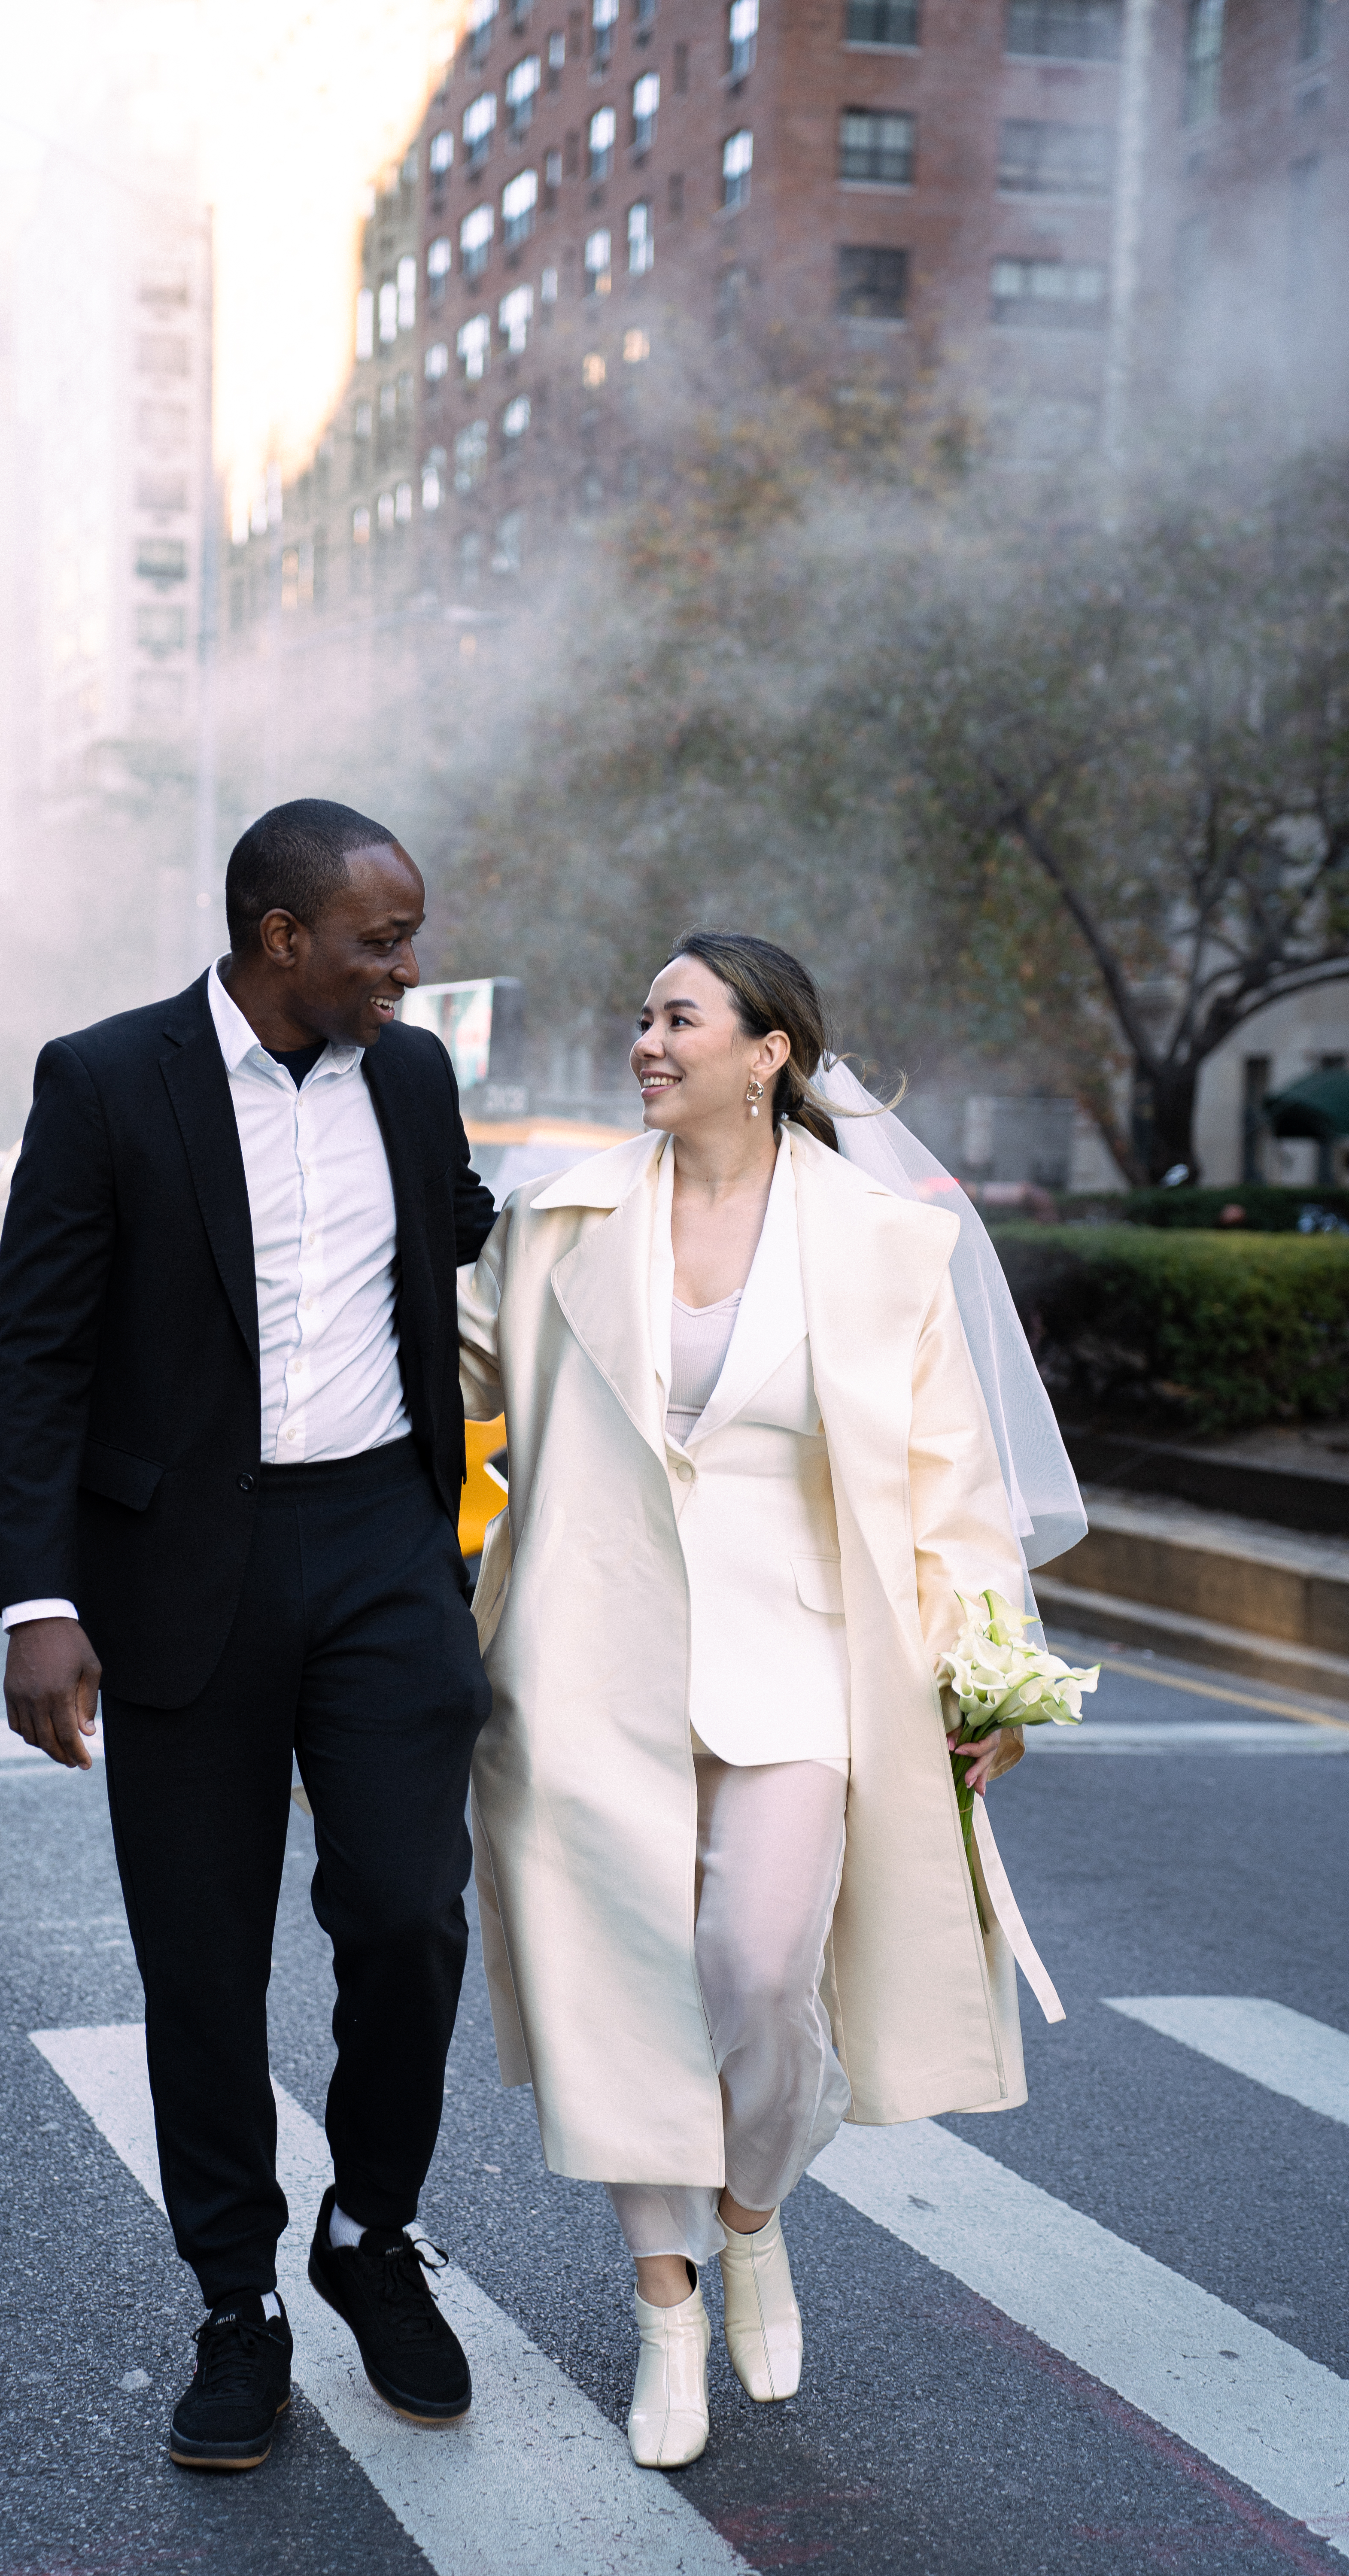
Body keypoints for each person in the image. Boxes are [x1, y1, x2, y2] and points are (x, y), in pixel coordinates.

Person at [458, 929, 1079, 2470]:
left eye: (679, 1019)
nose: (645, 1044)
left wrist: (985, 1661)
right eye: (642, 1019)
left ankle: (750, 2220)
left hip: (799, 1663)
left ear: (767, 1051)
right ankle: (666, 2311)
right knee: (617, 1996)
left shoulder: (880, 1243)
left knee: (756, 1970)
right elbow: (441, 1376)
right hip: (583, 1661)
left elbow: (953, 1485)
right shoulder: (560, 1222)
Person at [0, 800, 497, 2473]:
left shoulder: (410, 1079)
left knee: (410, 1913)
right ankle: (237, 2305)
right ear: (283, 937)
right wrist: (41, 1599)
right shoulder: (109, 1079)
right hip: (177, 1567)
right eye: (379, 940)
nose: (407, 969)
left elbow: (459, 1231)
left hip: (379, 1548)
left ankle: (369, 2233)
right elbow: (38, 1353)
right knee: (202, 1961)